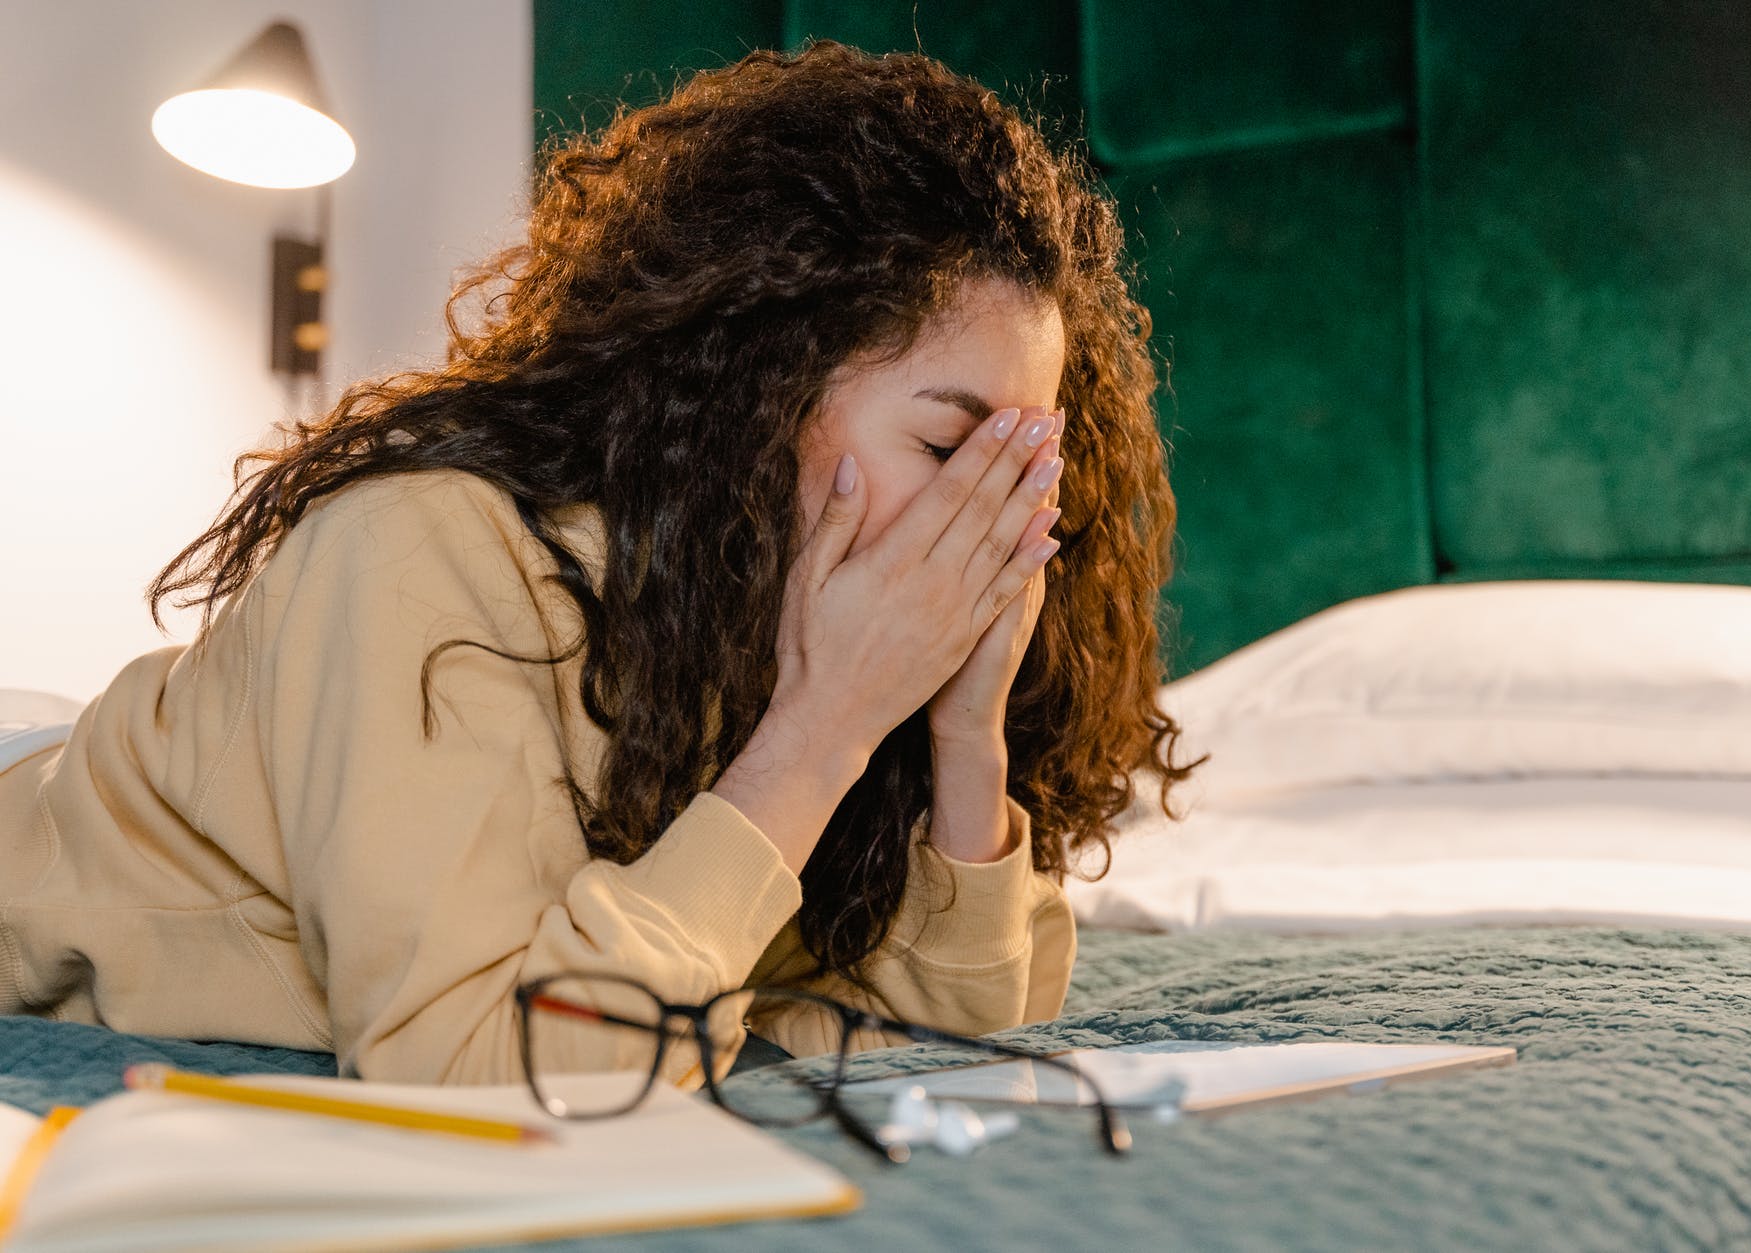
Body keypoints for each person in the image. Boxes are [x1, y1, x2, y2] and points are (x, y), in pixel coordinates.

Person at [0, 41, 1196, 1086]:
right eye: (945, 444)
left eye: (1018, 469)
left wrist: (960, 732)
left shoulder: (763, 642)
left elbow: (951, 1044)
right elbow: (483, 1066)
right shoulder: (423, 549)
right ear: (755, 391)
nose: (983, 519)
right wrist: (821, 726)